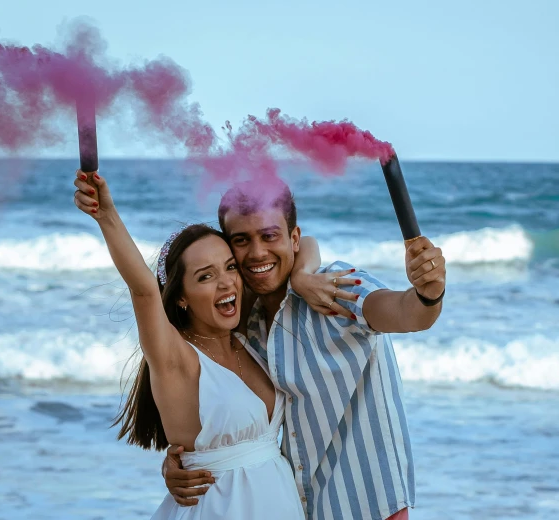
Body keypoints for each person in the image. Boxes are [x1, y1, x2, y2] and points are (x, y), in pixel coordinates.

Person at [72, 170, 350, 519]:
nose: (225, 284)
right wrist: (106, 214)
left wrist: (302, 275)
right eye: (205, 276)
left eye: (230, 267)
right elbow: (143, 289)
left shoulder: (244, 334)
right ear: (182, 297)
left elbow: (303, 242)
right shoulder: (176, 358)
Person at [164, 180, 446, 520]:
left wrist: (428, 294)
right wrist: (183, 460)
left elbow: (407, 312)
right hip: (298, 508)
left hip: (368, 507)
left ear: (293, 238)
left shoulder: (335, 288)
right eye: (241, 240)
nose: (256, 253)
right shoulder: (244, 326)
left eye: (269, 236)